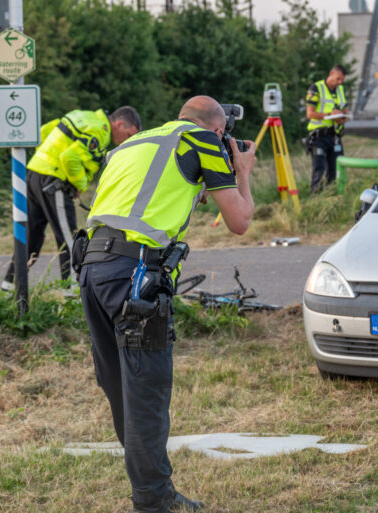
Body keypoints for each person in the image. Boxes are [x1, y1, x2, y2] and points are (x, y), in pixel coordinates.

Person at [79, 96, 256, 513]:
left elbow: (161, 195)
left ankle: (149, 485)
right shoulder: (203, 141)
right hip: (135, 273)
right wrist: (243, 172)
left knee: (120, 384)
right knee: (147, 388)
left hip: (91, 267)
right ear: (218, 130)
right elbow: (239, 221)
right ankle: (155, 500)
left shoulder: (136, 143)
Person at [1, 106, 141, 291]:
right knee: (70, 241)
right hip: (55, 182)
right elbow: (70, 157)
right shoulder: (99, 130)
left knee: (31, 238)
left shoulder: (83, 116)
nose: (127, 140)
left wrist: (47, 160)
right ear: (120, 123)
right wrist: (79, 185)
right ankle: (71, 294)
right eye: (129, 134)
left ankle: (8, 287)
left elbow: (44, 133)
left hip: (35, 174)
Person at [305, 64, 349, 193]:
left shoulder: (340, 89)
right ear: (331, 73)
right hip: (319, 137)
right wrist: (330, 116)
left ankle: (333, 199)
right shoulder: (316, 88)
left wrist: (344, 116)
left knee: (335, 170)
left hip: (335, 136)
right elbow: (310, 114)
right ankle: (316, 201)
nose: (339, 82)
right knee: (319, 171)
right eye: (338, 79)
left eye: (342, 80)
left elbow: (344, 109)